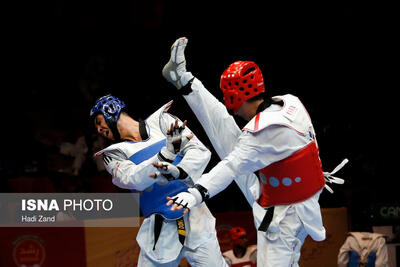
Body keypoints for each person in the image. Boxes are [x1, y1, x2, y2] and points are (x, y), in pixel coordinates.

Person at [162, 37, 347, 266]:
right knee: (227, 133)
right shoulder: (291, 103)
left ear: (233, 96)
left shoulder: (259, 134)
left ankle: (183, 80)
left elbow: (229, 167)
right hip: (276, 185)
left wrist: (195, 193)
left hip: (283, 214)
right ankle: (183, 79)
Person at [90, 95, 228, 266]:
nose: (98, 129)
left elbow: (200, 151)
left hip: (195, 215)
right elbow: (132, 178)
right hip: (158, 226)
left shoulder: (162, 120)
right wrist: (165, 154)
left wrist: (180, 171)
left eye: (98, 121)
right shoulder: (114, 154)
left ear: (110, 110)